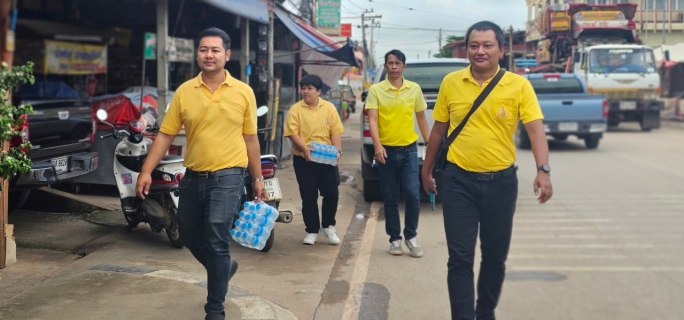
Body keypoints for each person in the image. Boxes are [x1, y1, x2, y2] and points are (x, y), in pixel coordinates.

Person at [421, 21, 553, 320]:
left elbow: (535, 131)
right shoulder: (451, 83)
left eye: (487, 45)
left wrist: (542, 170)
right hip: (457, 182)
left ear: (501, 50)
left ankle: (485, 313)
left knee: (495, 259)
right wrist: (426, 171)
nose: (480, 51)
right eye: (474, 45)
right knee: (460, 259)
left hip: (502, 184)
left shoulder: (519, 85)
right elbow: (438, 133)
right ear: (467, 49)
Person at [135, 27, 267, 320]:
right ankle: (223, 267)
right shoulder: (184, 92)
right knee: (189, 232)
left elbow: (251, 139)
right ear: (198, 54)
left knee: (217, 233)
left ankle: (214, 311)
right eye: (204, 49)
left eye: (215, 50)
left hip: (229, 176)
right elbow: (166, 135)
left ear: (227, 55)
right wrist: (146, 170)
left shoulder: (244, 92)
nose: (209, 55)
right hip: (193, 176)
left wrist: (257, 179)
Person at [365, 49, 430, 258]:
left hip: (409, 149)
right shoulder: (376, 90)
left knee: (412, 194)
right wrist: (377, 145)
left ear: (404, 67)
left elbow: (421, 117)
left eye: (397, 63)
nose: (393, 67)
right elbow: (372, 120)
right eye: (390, 63)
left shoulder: (414, 89)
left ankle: (411, 237)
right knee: (390, 197)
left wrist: (429, 143)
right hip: (386, 152)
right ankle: (394, 239)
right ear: (385, 67)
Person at [284, 75, 344, 245]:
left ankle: (327, 226)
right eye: (303, 88)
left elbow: (335, 131)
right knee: (309, 196)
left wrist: (337, 151)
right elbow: (292, 133)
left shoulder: (329, 108)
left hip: (326, 158)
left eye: (309, 88)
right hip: (304, 159)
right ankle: (311, 230)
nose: (305, 92)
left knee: (331, 194)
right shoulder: (295, 109)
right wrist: (304, 149)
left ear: (319, 91)